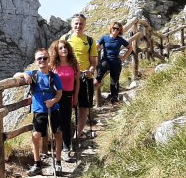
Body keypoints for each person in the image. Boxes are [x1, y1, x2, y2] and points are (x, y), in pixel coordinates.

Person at [14, 48, 63, 175]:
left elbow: (59, 93)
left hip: (53, 109)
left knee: (57, 134)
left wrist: (53, 101)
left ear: (49, 59)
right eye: (39, 58)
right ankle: (37, 163)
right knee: (36, 136)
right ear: (36, 61)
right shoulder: (33, 74)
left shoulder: (54, 76)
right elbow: (15, 75)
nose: (42, 60)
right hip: (39, 110)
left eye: (45, 58)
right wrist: (25, 75)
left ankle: (58, 162)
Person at [64, 13, 98, 142]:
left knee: (84, 106)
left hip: (85, 78)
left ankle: (76, 136)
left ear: (85, 25)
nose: (78, 26)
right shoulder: (65, 38)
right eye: (76, 23)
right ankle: (67, 135)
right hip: (68, 78)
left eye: (81, 23)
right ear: (72, 25)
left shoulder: (89, 40)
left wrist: (91, 71)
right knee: (68, 106)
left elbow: (94, 61)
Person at [48, 39, 79, 162]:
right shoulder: (52, 65)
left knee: (66, 122)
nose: (63, 50)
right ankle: (56, 149)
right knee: (56, 123)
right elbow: (41, 73)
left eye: (65, 47)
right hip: (55, 96)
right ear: (56, 51)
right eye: (60, 48)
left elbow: (77, 83)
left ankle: (67, 148)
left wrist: (75, 96)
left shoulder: (74, 63)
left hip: (68, 96)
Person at [96, 21, 133, 104]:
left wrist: (123, 58)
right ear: (111, 28)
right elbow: (96, 46)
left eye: (118, 29)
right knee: (99, 74)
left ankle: (114, 100)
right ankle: (95, 85)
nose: (116, 30)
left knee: (114, 81)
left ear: (119, 31)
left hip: (116, 62)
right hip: (106, 60)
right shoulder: (104, 38)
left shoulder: (120, 40)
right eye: (114, 28)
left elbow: (130, 48)